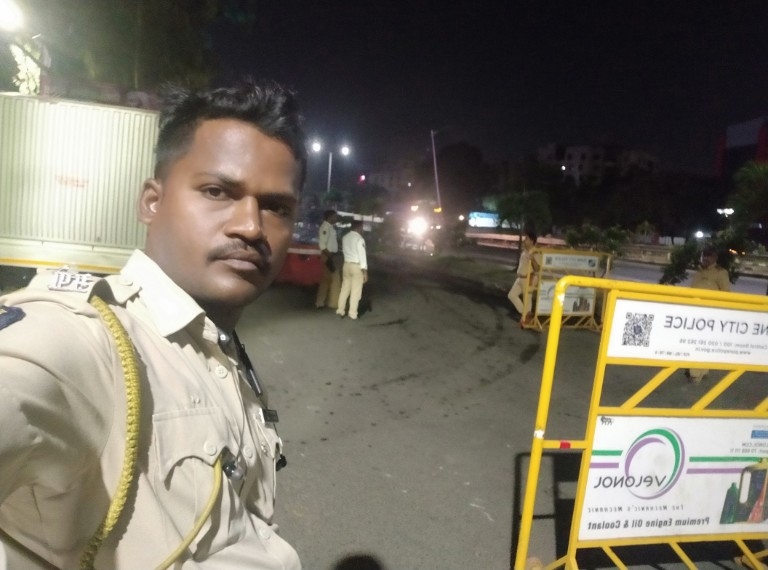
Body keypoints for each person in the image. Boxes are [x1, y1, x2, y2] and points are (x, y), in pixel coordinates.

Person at [0, 78, 305, 569]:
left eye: (276, 207)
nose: (251, 226)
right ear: (151, 202)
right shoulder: (88, 341)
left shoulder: (218, 345)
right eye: (217, 191)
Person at [688, 245, 731, 382]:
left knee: (702, 343)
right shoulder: (699, 271)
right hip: (695, 311)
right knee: (694, 342)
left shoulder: (720, 273)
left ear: (715, 257)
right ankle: (701, 371)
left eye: (709, 255)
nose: (706, 258)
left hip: (710, 314)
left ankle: (696, 374)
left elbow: (726, 294)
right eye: (704, 255)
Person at [336, 219, 368, 320]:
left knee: (344, 289)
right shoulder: (360, 239)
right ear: (359, 227)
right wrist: (365, 272)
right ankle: (352, 313)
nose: (363, 229)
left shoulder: (345, 237)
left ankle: (340, 310)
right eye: (362, 227)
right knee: (355, 291)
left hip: (346, 265)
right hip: (356, 267)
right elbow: (362, 256)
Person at [507, 229, 540, 326]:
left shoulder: (535, 252)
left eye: (526, 239)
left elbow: (537, 268)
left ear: (532, 241)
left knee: (527, 300)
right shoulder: (525, 251)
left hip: (528, 279)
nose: (524, 240)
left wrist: (532, 259)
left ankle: (526, 320)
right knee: (511, 295)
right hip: (520, 278)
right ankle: (526, 314)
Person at [314, 209, 341, 309]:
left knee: (326, 280)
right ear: (330, 217)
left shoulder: (330, 227)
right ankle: (333, 303)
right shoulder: (325, 227)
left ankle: (321, 302)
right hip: (328, 256)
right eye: (335, 216)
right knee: (335, 278)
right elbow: (322, 245)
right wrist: (330, 256)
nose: (336, 218)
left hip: (330, 255)